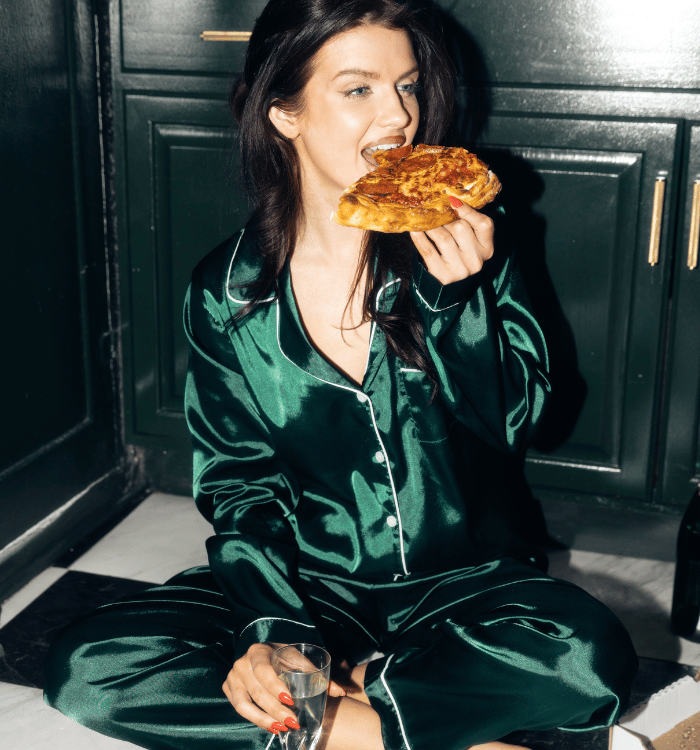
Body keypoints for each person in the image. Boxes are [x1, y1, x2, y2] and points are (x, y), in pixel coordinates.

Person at [43, 1, 638, 749]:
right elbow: (241, 485)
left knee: (589, 656)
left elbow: (525, 423)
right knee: (90, 666)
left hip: (467, 581)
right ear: (284, 112)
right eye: (359, 89)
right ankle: (411, 722)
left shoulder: (469, 239)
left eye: (408, 86)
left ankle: (336, 716)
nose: (399, 116)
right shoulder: (224, 293)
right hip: (311, 586)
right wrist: (273, 632)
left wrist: (455, 304)